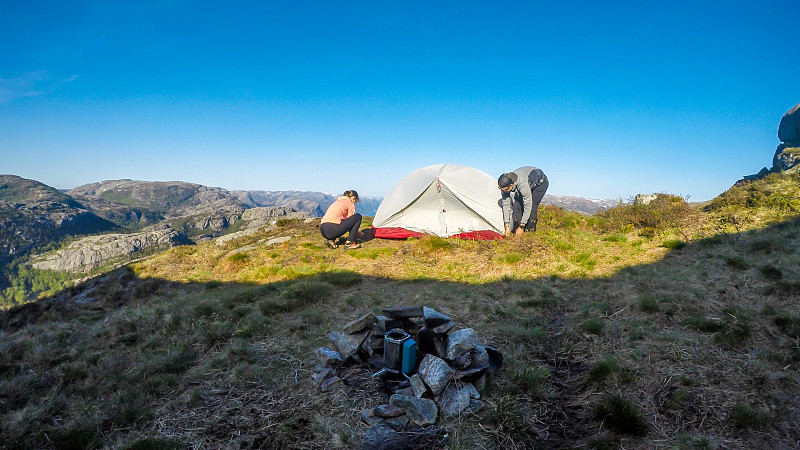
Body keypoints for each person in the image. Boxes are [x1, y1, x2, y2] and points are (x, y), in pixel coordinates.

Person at [497, 166, 548, 236]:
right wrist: (507, 226)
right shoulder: (504, 187)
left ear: (511, 186)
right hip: (528, 182)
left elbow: (528, 205)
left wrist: (522, 225)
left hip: (540, 183)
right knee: (517, 205)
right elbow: (506, 206)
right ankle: (521, 230)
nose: (504, 192)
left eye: (505, 190)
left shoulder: (522, 185)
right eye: (502, 190)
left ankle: (530, 233)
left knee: (532, 205)